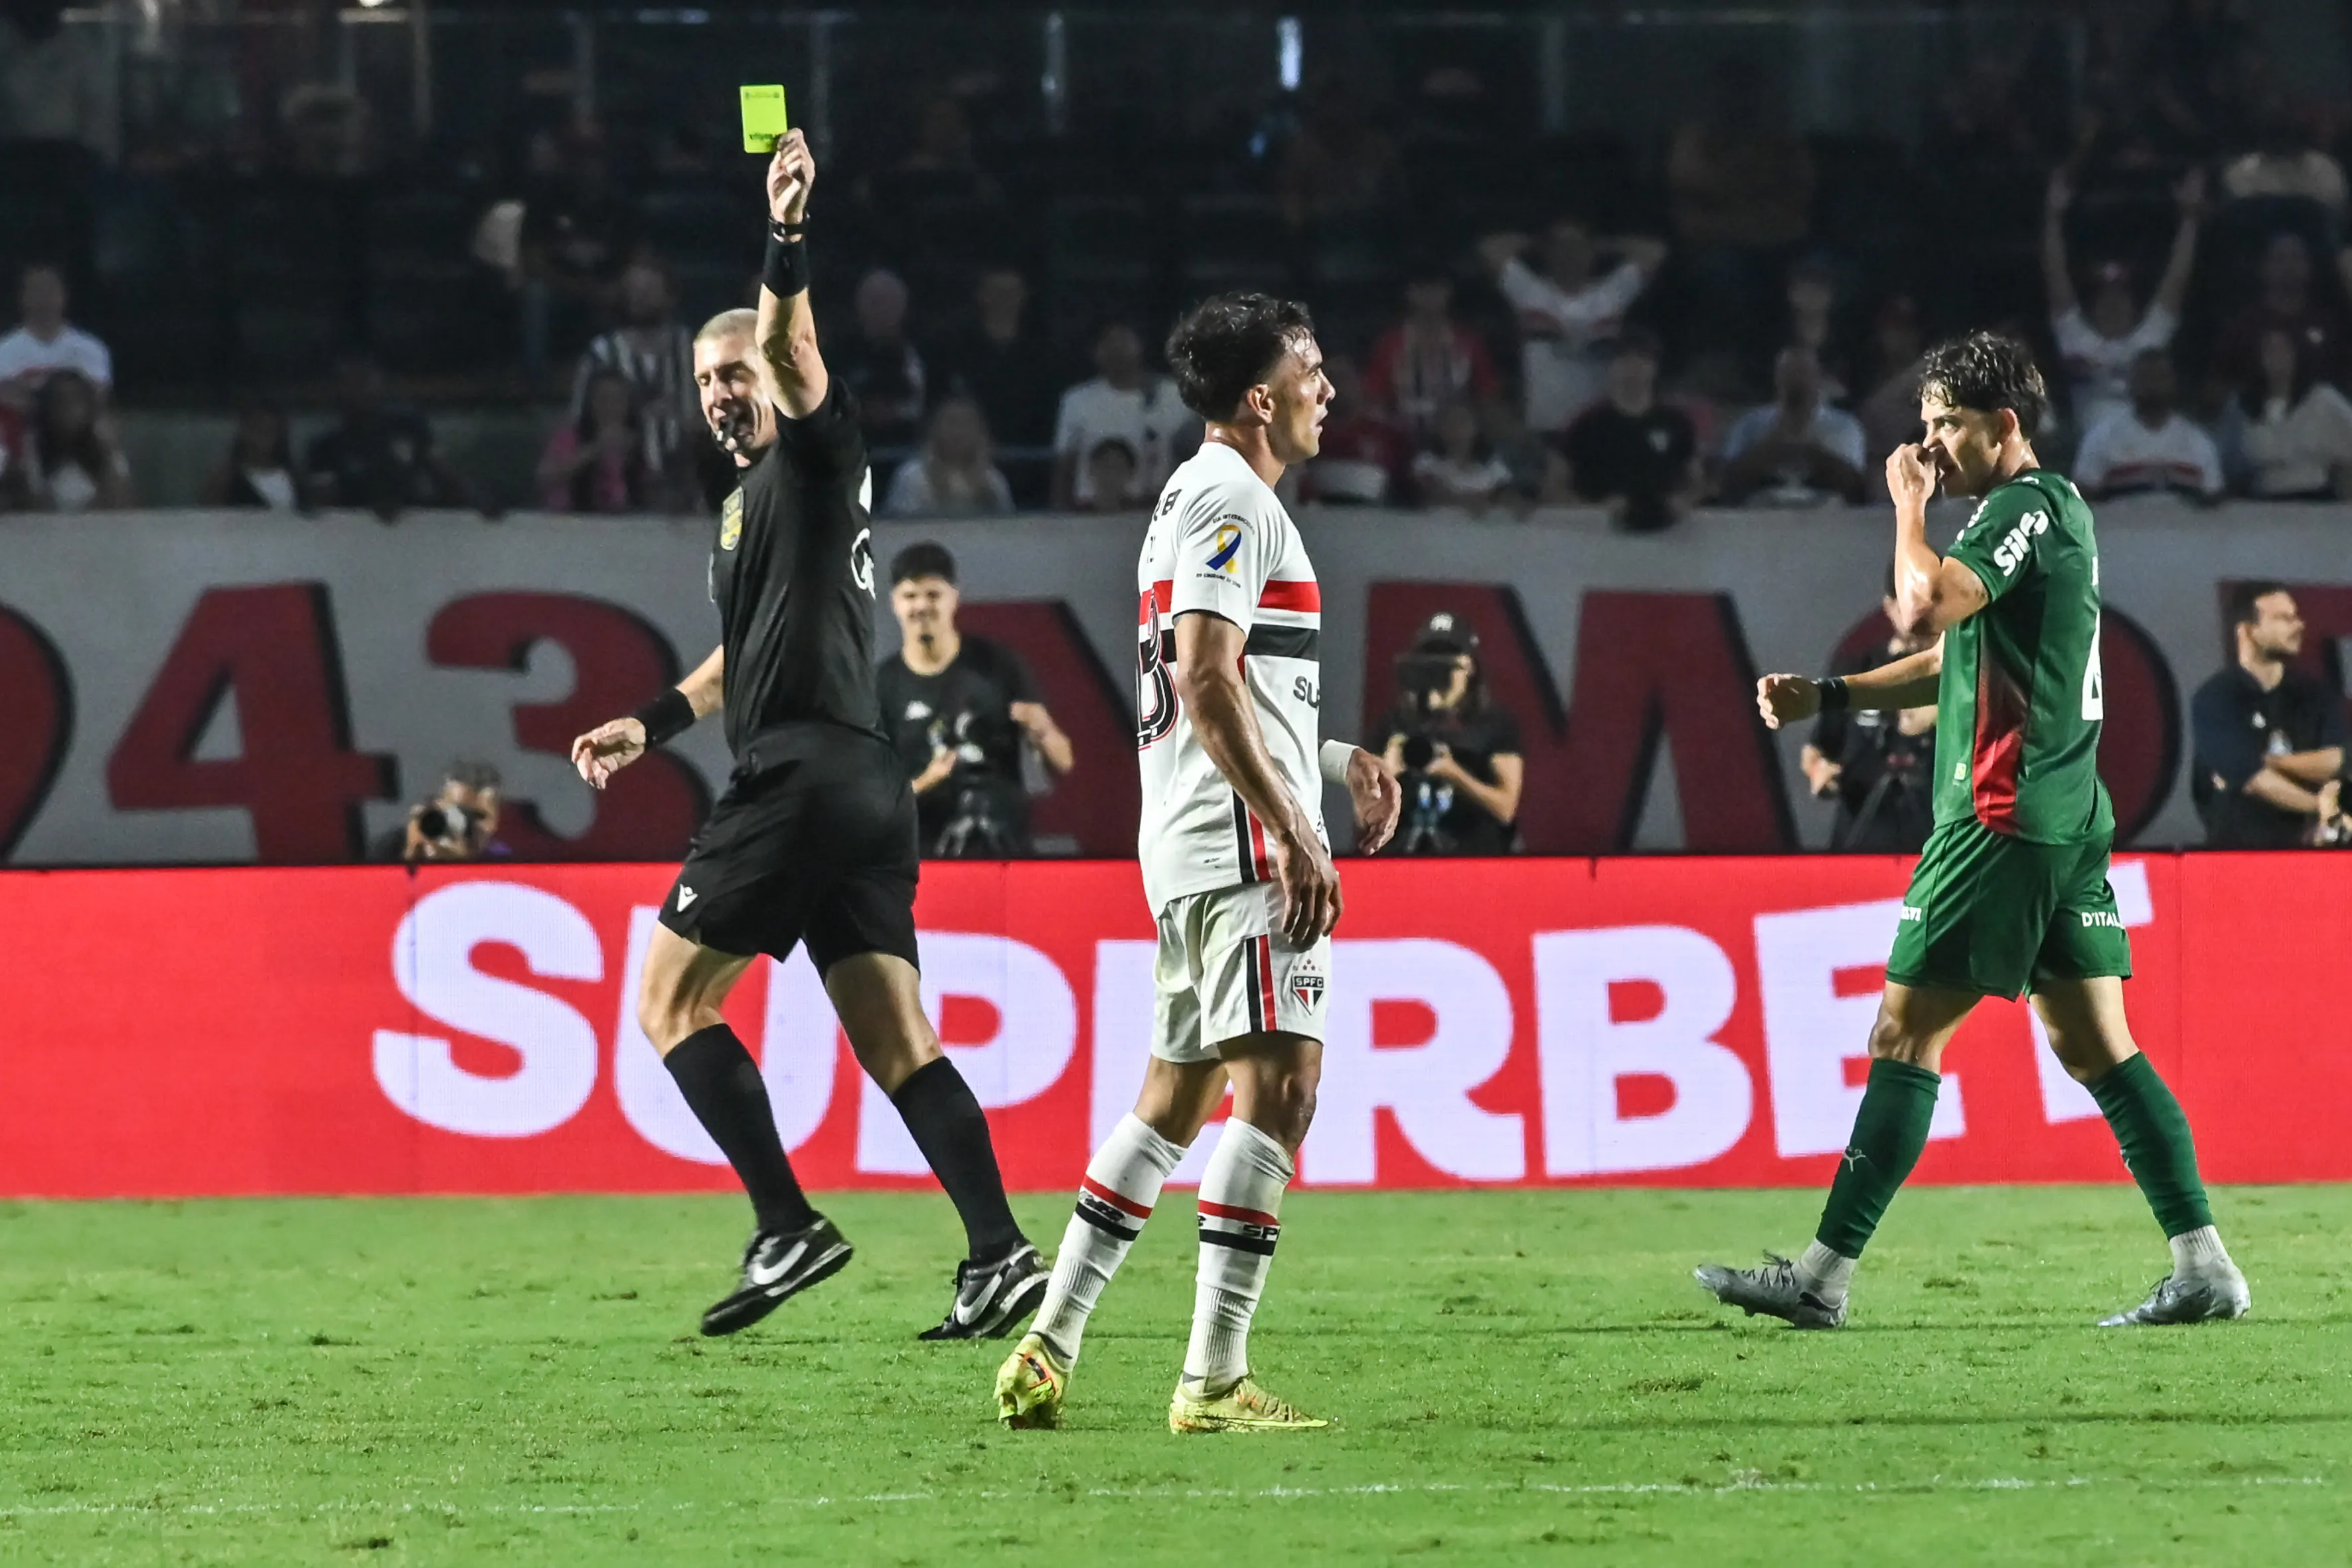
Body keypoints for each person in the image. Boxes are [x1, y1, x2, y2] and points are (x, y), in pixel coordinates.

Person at [567, 130, 1044, 1344]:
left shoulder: (819, 452)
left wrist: (784, 231)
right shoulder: (747, 507)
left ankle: (786, 1220)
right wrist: (651, 718)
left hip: (804, 773)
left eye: (741, 369)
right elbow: (740, 661)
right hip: (865, 782)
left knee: (667, 1002)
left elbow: (790, 344)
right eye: (710, 376)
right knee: (895, 1036)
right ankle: (997, 1253)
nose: (729, 388)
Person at [1705, 329, 2249, 1331]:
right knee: (2097, 1047)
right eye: (1920, 428)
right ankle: (2203, 1265)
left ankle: (1820, 1277)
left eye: (1945, 423)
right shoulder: (2056, 515)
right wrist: (1831, 694)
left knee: (1902, 1033)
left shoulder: (2018, 510)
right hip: (2065, 814)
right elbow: (1949, 656)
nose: (1928, 445)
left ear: (2003, 425)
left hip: (2000, 814)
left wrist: (1903, 505)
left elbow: (1920, 607)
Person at [995, 291, 1401, 1435]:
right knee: (1281, 1089)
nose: (1331, 389)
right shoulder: (1232, 498)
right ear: (1261, 396)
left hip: (1186, 839)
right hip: (1235, 849)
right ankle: (1213, 1378)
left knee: (1171, 1099)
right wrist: (1285, 824)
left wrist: (1328, 755)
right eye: (1312, 369)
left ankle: (1049, 1339)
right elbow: (1207, 676)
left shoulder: (1191, 494)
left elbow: (1226, 685)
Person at [876, 542, 1073, 856]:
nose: (922, 607)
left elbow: (1063, 763)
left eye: (933, 595)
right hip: (925, 860)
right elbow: (874, 802)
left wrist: (1043, 731)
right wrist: (928, 781)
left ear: (954, 596)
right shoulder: (882, 687)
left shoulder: (999, 665)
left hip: (1004, 851)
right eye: (910, 596)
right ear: (894, 603)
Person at [2043, 167, 2204, 434]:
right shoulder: (2075, 335)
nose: (2113, 304)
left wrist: (2190, 218)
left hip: (2148, 444)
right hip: (2089, 448)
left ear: (2134, 304)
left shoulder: (2151, 338)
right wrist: (2053, 217)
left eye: (2120, 296)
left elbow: (2177, 279)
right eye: (2105, 297)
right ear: (2092, 306)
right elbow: (2055, 276)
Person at [2191, 583, 2347, 847]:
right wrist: (2320, 806)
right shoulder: (2216, 698)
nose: (2298, 625)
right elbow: (2252, 779)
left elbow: (2338, 759)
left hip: (2310, 856)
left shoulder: (2316, 695)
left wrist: (2268, 761)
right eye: (2283, 619)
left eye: (2295, 616)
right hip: (2235, 858)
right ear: (2247, 631)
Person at [1478, 222, 1666, 436]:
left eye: (1577, 246)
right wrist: (1536, 243)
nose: (1569, 253)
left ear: (1590, 252)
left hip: (1599, 425)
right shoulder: (1529, 291)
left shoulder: (1612, 293)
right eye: (1561, 247)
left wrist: (1605, 244)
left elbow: (1655, 252)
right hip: (1546, 426)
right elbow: (1489, 249)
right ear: (1549, 253)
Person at [1802, 573, 1938, 852]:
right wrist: (1821, 772)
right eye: (1910, 603)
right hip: (1862, 839)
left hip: (1936, 841)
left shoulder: (1967, 674)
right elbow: (1820, 743)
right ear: (1889, 606)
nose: (1920, 615)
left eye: (1930, 603)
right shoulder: (1857, 669)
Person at [1379, 613, 1524, 855]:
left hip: (1472, 861)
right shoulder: (1395, 724)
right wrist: (1389, 770)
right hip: (1402, 860)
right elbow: (1364, 818)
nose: (1441, 668)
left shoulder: (1495, 725)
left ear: (1470, 666)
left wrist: (1454, 773)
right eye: (1432, 658)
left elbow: (1505, 808)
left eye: (1450, 658)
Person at [568, 258, 700, 511]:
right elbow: (578, 421)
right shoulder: (602, 352)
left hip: (684, 482)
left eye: (649, 291)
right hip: (617, 486)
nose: (640, 299)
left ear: (669, 296)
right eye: (634, 292)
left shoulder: (691, 348)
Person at [1547, 328, 1702, 530]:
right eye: (1624, 359)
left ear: (1655, 367)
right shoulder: (1587, 423)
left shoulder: (1677, 423)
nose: (1633, 367)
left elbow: (1697, 481)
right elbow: (1553, 486)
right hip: (1602, 537)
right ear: (1611, 366)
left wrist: (1683, 502)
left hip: (1666, 534)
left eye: (1642, 359)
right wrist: (1592, 512)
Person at [303, 353, 481, 519]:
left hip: (412, 530)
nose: (358, 390)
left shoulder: (409, 429)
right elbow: (321, 504)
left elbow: (443, 476)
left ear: (381, 385)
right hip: (354, 533)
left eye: (364, 381)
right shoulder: (325, 446)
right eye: (348, 383)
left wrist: (478, 501)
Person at [934, 268, 1058, 503]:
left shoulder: (1043, 354)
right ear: (982, 296)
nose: (1004, 299)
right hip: (966, 465)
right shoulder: (956, 351)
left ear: (1024, 297)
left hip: (1030, 466)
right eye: (997, 292)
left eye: (1012, 292)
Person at [1051, 321, 1191, 510]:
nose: (1116, 349)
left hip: (1159, 511)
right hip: (1092, 513)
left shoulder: (1175, 396)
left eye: (1123, 340)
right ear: (1095, 352)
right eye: (1107, 342)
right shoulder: (1077, 400)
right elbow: (1065, 466)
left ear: (1141, 344)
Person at [1718, 345, 1868, 507]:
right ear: (1777, 378)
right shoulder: (1750, 424)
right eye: (1789, 373)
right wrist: (1772, 446)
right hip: (1762, 511)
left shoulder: (1844, 426)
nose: (1796, 380)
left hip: (1826, 512)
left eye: (1803, 373)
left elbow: (1854, 485)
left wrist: (1811, 451)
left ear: (1819, 378)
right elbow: (1729, 480)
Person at [1362, 266, 1498, 439]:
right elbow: (1375, 398)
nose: (1430, 297)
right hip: (1402, 437)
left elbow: (1488, 395)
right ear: (1409, 293)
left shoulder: (1468, 342)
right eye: (1422, 290)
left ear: (1449, 293)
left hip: (1458, 440)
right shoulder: (1390, 344)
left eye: (1437, 289)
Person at [2072, 349, 2224, 501]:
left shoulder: (2198, 441)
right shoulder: (2102, 436)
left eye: (2161, 377)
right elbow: (2084, 494)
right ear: (2131, 383)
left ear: (2174, 383)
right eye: (2145, 377)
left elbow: (2213, 497)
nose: (2153, 385)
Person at [2233, 327, 2352, 499]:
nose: (2277, 359)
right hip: (2262, 504)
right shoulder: (2244, 406)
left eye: (2283, 350)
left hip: (2315, 502)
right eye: (2269, 351)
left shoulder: (2323, 399)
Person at [836, 268, 927, 458]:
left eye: (888, 302)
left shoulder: (922, 352)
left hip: (912, 453)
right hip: (850, 453)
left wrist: (895, 412)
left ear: (904, 306)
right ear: (858, 305)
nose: (880, 310)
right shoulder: (838, 353)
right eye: (873, 302)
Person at [1300, 350, 1409, 505]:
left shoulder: (1386, 436)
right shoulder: (1304, 434)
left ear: (1360, 383)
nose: (1335, 387)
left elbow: (1404, 488)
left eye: (1343, 379)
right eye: (1330, 379)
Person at [0, 262, 111, 410]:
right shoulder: (5, 350)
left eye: (50, 290)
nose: (44, 297)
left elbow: (98, 397)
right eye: (37, 290)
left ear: (64, 295)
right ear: (23, 297)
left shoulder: (90, 348)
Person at [537, 368, 649, 513]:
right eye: (603, 399)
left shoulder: (641, 441)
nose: (610, 407)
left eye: (617, 400)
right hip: (572, 522)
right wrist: (596, 449)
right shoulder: (570, 437)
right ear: (591, 403)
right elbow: (544, 478)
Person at [880, 397, 1014, 518]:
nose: (959, 431)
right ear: (934, 428)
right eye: (952, 422)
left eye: (968, 423)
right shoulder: (912, 476)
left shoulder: (994, 480)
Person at [21, 367, 129, 510]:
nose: (70, 410)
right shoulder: (33, 446)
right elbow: (34, 508)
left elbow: (124, 504)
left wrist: (109, 453)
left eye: (77, 402)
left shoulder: (104, 445)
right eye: (61, 402)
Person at [369, 759, 509, 864]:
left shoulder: (505, 862)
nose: (468, 823)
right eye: (458, 811)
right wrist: (412, 852)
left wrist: (461, 863)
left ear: (495, 820)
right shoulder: (393, 845)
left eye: (480, 816)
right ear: (438, 806)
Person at [200, 405, 301, 510]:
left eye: (268, 431)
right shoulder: (226, 480)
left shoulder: (294, 478)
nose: (259, 439)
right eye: (255, 430)